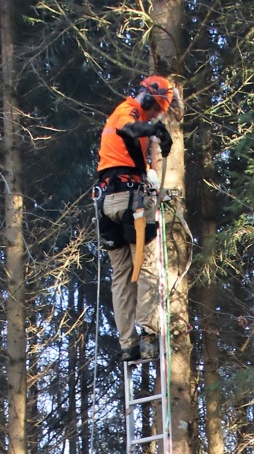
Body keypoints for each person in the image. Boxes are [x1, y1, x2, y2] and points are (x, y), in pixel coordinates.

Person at [94, 76, 174, 362]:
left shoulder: (129, 117)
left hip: (107, 203)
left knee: (121, 275)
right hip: (130, 202)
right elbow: (128, 128)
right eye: (155, 110)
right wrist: (155, 128)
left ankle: (128, 344)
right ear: (149, 100)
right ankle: (149, 334)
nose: (154, 116)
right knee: (148, 265)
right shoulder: (127, 112)